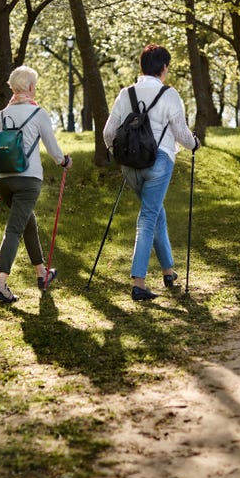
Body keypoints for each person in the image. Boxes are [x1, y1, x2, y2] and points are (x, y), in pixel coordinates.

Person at [103, 44, 199, 301]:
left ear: (142, 66)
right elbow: (181, 133)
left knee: (156, 213)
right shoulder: (169, 94)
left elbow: (108, 133)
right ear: (164, 68)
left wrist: (118, 152)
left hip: (130, 167)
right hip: (159, 162)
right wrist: (194, 143)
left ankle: (168, 271)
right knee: (148, 216)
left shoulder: (126, 94)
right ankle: (139, 282)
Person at [0, 66, 72, 304]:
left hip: (4, 180)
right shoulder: (39, 114)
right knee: (14, 229)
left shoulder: (2, 115)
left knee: (27, 222)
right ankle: (0, 283)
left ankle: (42, 273)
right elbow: (54, 151)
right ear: (31, 87)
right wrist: (64, 161)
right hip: (28, 180)